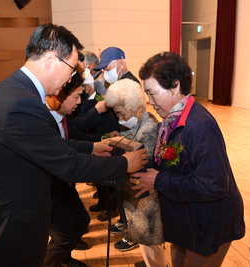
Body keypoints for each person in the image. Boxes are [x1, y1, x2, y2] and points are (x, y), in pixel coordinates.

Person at [0, 23, 148, 267]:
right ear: (50, 59)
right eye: (71, 68)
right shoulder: (22, 103)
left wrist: (92, 147)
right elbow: (67, 164)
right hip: (3, 232)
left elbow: (49, 145)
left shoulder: (14, 90)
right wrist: (123, 164)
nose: (71, 78)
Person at [131, 52, 245, 267]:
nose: (150, 101)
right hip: (188, 220)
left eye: (152, 93)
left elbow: (215, 186)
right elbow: (170, 164)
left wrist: (158, 181)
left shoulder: (199, 126)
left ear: (175, 86)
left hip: (208, 224)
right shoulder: (171, 120)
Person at [105, 79, 167, 266]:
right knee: (146, 244)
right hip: (138, 197)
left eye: (122, 113)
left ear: (138, 109)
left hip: (145, 199)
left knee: (151, 244)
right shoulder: (139, 123)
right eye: (116, 113)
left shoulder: (148, 129)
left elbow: (141, 168)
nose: (119, 118)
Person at [44, 73, 101, 267]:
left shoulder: (62, 116)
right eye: (76, 96)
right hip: (48, 189)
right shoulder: (43, 120)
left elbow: (71, 139)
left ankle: (63, 258)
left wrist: (99, 144)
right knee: (64, 237)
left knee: (81, 220)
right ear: (59, 95)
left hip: (63, 185)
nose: (79, 101)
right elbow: (63, 152)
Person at [91, 46, 142, 222]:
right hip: (120, 137)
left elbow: (132, 118)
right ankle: (123, 218)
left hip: (129, 139)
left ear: (120, 62)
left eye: (107, 67)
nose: (105, 71)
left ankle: (127, 222)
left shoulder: (129, 84)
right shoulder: (118, 82)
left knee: (128, 183)